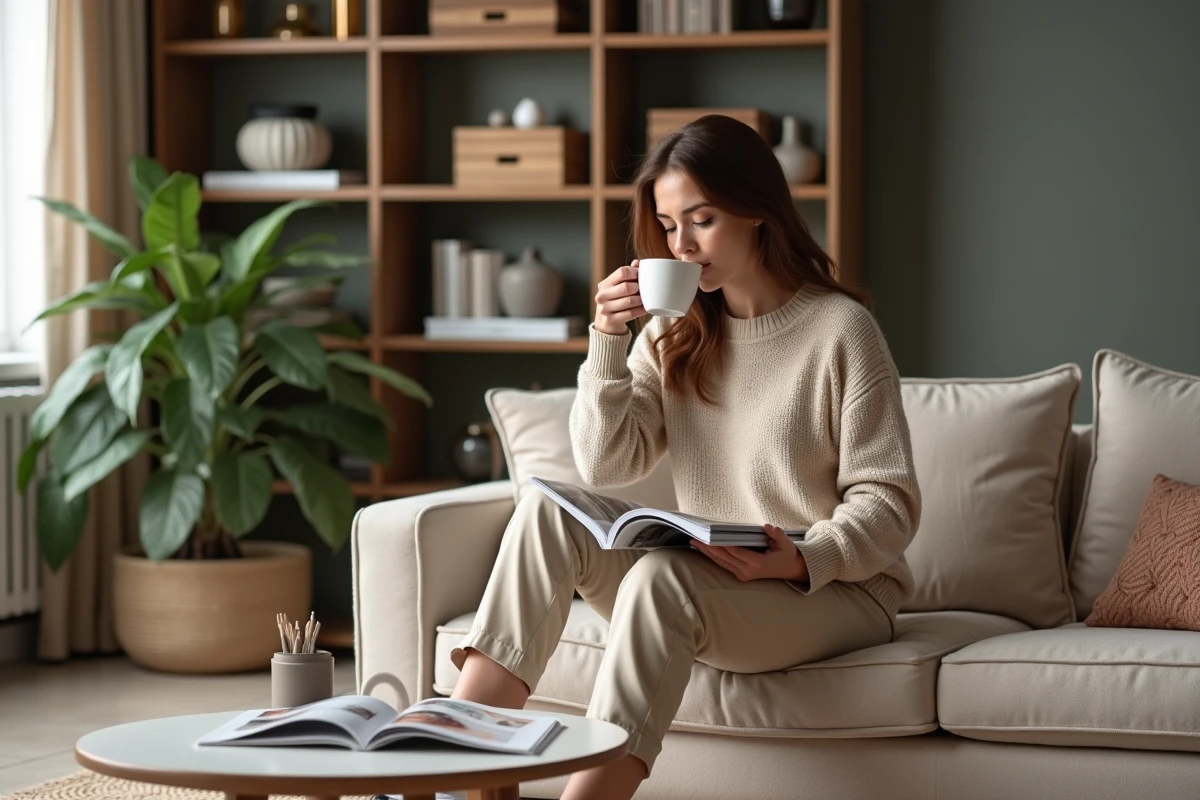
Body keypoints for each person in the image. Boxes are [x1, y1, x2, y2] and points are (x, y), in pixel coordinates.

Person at [449, 114, 921, 800]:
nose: (682, 244)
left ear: (756, 211)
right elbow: (606, 464)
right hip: (721, 578)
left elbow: (889, 502)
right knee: (545, 516)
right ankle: (459, 766)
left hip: (833, 589)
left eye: (701, 220)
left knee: (658, 582)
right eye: (669, 227)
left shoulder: (841, 331)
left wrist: (801, 556)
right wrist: (609, 339)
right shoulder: (677, 329)